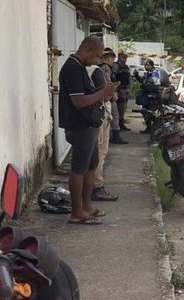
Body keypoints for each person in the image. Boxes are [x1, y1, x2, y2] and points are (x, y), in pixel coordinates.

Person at [58, 35, 118, 225]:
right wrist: (102, 93)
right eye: (97, 56)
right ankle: (76, 212)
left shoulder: (80, 67)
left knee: (91, 165)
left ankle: (87, 205)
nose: (98, 60)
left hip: (88, 124)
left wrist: (104, 92)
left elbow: (88, 95)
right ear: (88, 50)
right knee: (79, 168)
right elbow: (79, 101)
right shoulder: (73, 68)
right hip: (79, 125)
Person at [86, 48, 119, 202]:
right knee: (100, 152)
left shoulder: (82, 70)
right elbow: (106, 95)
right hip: (99, 115)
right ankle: (96, 187)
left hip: (89, 117)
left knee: (92, 154)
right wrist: (112, 91)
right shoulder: (97, 71)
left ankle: (90, 186)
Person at [101, 49, 128, 145]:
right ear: (108, 58)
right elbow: (108, 83)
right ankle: (115, 137)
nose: (113, 60)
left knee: (113, 115)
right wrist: (113, 94)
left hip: (109, 95)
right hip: (109, 96)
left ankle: (113, 135)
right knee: (114, 115)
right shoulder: (106, 68)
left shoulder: (107, 67)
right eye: (112, 58)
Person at [134, 59, 161, 133]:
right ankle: (149, 128)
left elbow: (153, 81)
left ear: (152, 65)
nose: (146, 66)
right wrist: (137, 76)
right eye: (146, 65)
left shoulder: (155, 72)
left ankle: (154, 129)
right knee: (144, 111)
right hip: (146, 96)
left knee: (150, 113)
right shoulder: (147, 73)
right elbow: (143, 81)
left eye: (148, 65)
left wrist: (148, 81)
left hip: (153, 96)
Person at [114, 52, 132, 131]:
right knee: (118, 109)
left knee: (123, 108)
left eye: (125, 57)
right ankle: (117, 125)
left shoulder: (126, 67)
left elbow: (129, 79)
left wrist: (129, 90)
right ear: (119, 57)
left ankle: (121, 123)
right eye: (123, 57)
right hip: (119, 90)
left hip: (125, 89)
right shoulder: (116, 66)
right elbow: (114, 78)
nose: (124, 59)